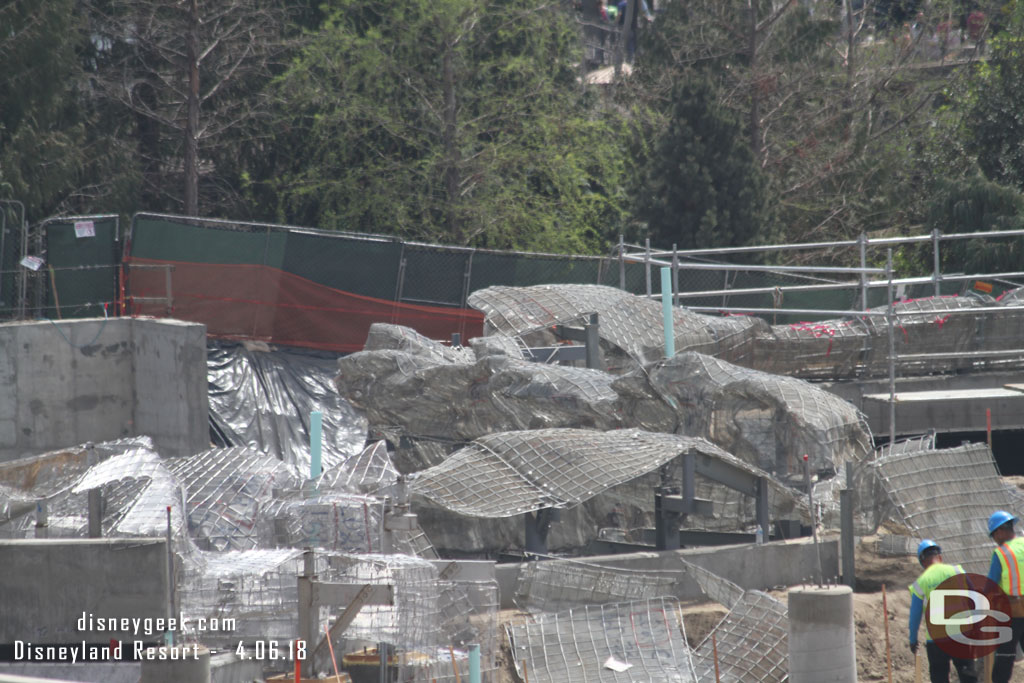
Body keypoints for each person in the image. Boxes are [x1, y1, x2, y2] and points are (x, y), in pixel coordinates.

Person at [908, 539, 978, 682]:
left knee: (939, 677)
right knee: (968, 676)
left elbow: (915, 615)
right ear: (940, 556)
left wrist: (913, 639)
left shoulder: (921, 583)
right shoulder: (957, 571)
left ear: (923, 562)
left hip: (937, 641)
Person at [987, 510, 1024, 683]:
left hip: (1012, 612)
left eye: (993, 535)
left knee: (1004, 657)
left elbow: (990, 587)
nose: (995, 539)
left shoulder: (1002, 553)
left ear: (999, 532)